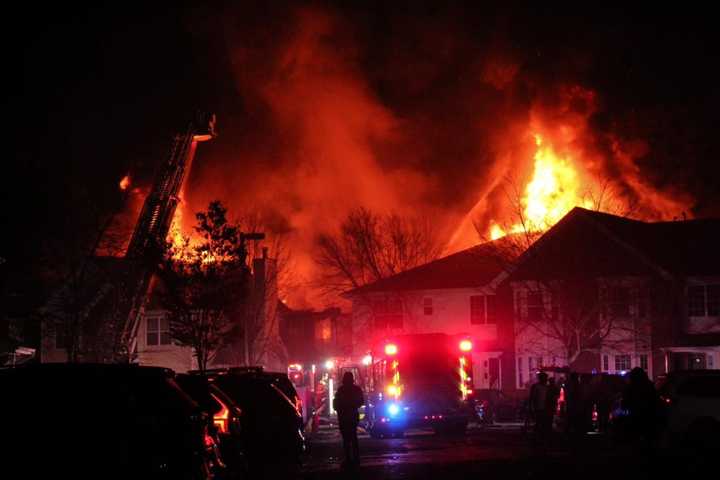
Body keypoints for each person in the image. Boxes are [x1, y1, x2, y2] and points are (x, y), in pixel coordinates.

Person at [333, 371, 365, 467]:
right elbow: (361, 402)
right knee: (354, 438)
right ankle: (356, 459)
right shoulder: (356, 389)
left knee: (346, 440)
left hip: (343, 417)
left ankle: (348, 459)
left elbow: (336, 404)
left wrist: (341, 408)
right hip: (353, 416)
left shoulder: (341, 389)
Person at [621, 367, 658, 445]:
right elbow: (655, 399)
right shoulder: (649, 385)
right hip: (649, 417)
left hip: (636, 416)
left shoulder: (631, 387)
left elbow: (625, 402)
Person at [529, 372, 552, 444]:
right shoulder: (536, 387)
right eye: (544, 378)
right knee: (539, 423)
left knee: (544, 424)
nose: (545, 380)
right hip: (539, 408)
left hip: (545, 408)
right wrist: (532, 408)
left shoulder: (547, 387)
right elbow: (532, 398)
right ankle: (537, 438)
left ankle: (542, 438)